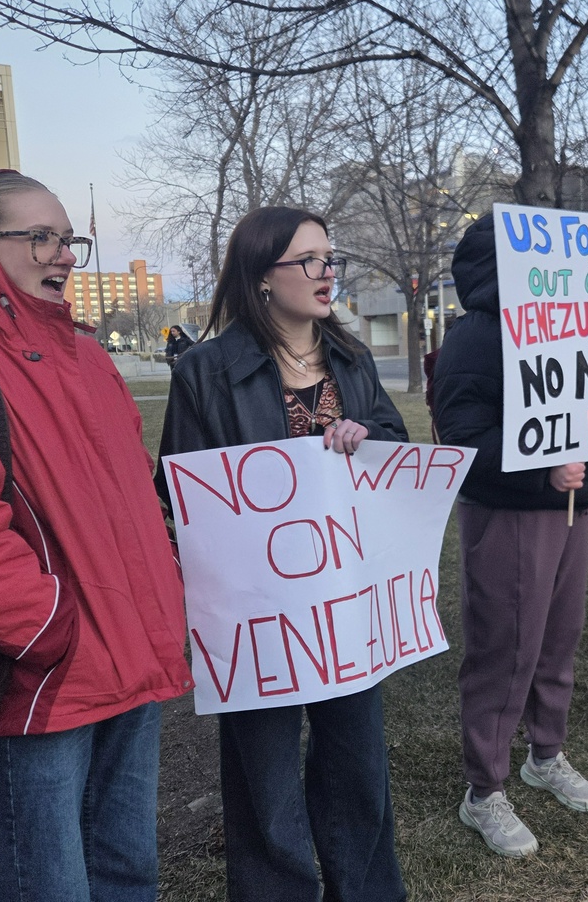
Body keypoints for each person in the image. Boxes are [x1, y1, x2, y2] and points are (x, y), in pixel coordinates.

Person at [0, 170, 193, 901]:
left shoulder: (91, 359)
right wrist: (47, 630)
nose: (63, 255)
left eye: (68, 239)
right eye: (38, 237)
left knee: (128, 873)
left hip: (131, 660)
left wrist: (161, 593)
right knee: (49, 885)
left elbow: (131, 499)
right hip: (45, 678)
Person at [156, 206, 408, 902]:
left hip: (346, 607)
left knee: (357, 770)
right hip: (260, 618)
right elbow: (178, 492)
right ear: (264, 278)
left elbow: (395, 447)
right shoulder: (206, 372)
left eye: (332, 258)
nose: (328, 273)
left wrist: (374, 440)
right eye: (310, 260)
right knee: (263, 781)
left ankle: (366, 891)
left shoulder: (352, 358)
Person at [431, 214, 588, 859]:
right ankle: (484, 790)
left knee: (557, 638)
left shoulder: (575, 322)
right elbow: (461, 440)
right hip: (512, 514)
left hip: (570, 511)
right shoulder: (475, 340)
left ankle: (546, 753)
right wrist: (542, 471)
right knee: (506, 645)